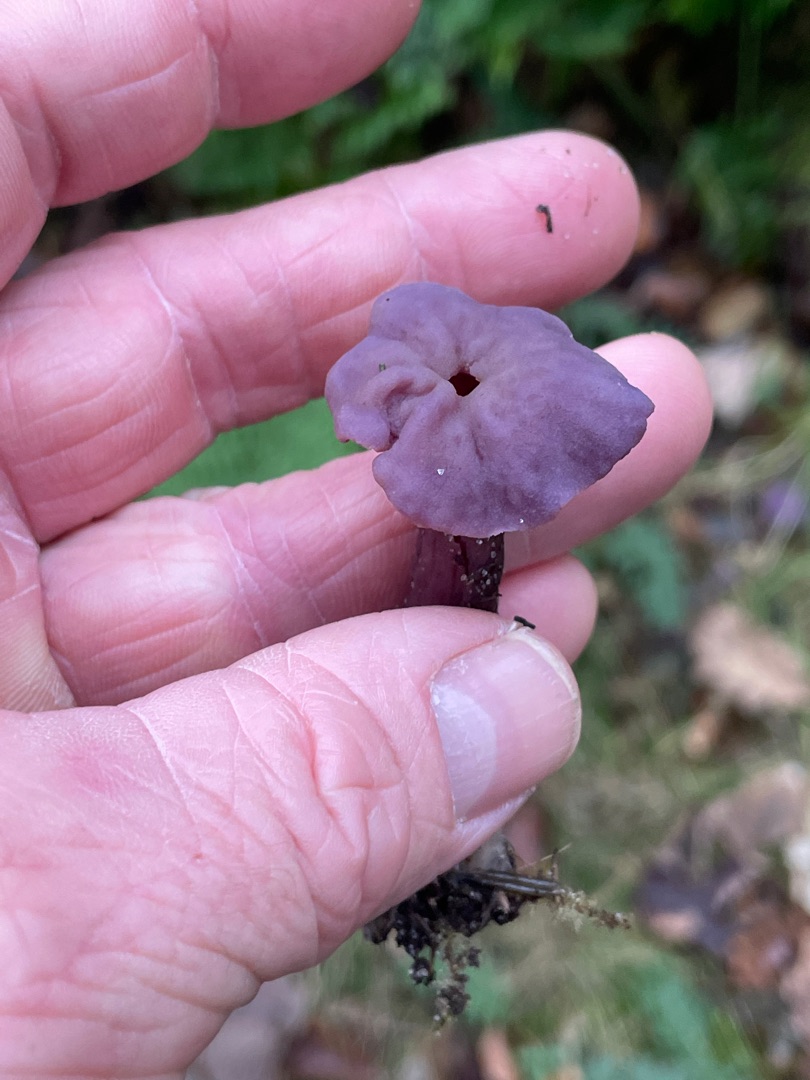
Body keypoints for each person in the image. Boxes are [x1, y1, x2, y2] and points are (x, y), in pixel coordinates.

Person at [0, 0, 712, 1073]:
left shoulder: (505, 397)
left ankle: (441, 868)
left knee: (483, 483)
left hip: (501, 437)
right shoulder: (424, 386)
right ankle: (435, 868)